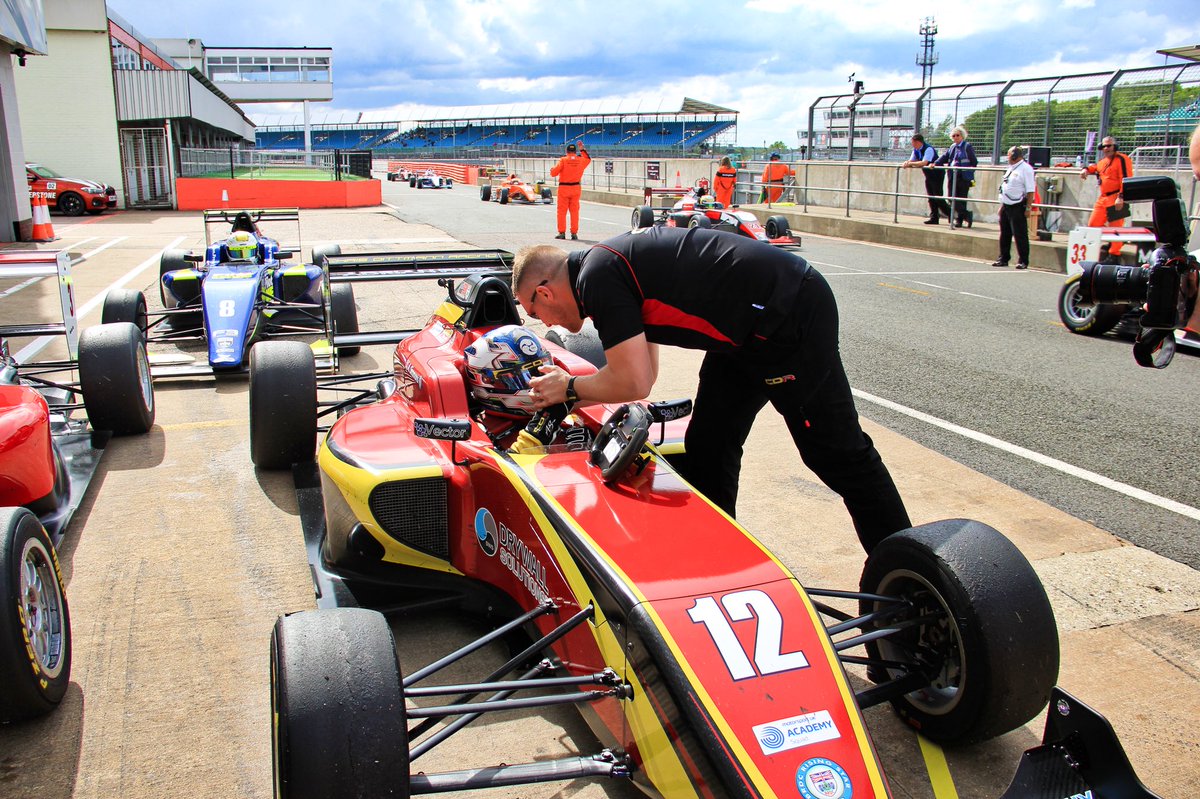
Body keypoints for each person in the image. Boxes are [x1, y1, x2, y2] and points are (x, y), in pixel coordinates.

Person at [511, 227, 913, 554]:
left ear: (543, 293)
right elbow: (643, 378)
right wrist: (569, 393)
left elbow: (631, 382)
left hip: (788, 312)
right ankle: (717, 555)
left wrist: (569, 388)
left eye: (534, 313)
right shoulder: (601, 270)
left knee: (836, 454)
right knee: (709, 447)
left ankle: (906, 567)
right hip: (743, 335)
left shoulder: (598, 277)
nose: (546, 322)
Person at [1079, 136, 1133, 262]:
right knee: (1093, 224)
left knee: (1116, 226)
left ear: (1115, 146)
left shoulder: (1122, 159)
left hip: (1116, 197)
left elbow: (1126, 179)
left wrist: (1121, 197)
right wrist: (1085, 169)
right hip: (1103, 198)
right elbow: (1095, 168)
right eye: (1104, 146)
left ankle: (1114, 254)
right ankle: (1116, 241)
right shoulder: (1103, 162)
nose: (1107, 148)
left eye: (1109, 145)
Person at [991, 146, 1037, 270]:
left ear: (1015, 156)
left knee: (1020, 234)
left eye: (1009, 155)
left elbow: (1030, 190)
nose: (1007, 157)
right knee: (1005, 233)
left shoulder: (1026, 169)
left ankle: (1023, 260)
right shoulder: (1011, 168)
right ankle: (1003, 258)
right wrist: (1002, 205)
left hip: (1017, 205)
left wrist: (1028, 208)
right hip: (1006, 205)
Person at [933, 126, 977, 228]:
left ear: (962, 136)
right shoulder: (952, 147)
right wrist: (935, 163)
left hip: (963, 176)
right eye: (953, 136)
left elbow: (974, 161)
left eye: (958, 135)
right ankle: (967, 215)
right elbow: (944, 157)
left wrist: (969, 172)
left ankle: (960, 220)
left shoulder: (967, 146)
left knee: (961, 198)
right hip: (953, 175)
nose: (956, 137)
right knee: (951, 197)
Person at [902, 134, 952, 225]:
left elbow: (924, 162)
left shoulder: (928, 149)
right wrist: (907, 163)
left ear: (918, 142)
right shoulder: (916, 150)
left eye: (913, 142)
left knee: (938, 197)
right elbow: (912, 160)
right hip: (928, 175)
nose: (912, 144)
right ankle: (934, 217)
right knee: (931, 197)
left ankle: (951, 214)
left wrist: (911, 164)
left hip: (937, 174)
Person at [550, 140, 590, 240]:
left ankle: (562, 232)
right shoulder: (581, 160)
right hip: (576, 188)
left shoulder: (563, 160)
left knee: (561, 212)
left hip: (564, 188)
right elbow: (588, 159)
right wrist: (582, 148)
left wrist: (552, 169)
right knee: (574, 212)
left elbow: (554, 173)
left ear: (567, 152)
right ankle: (574, 233)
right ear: (575, 151)